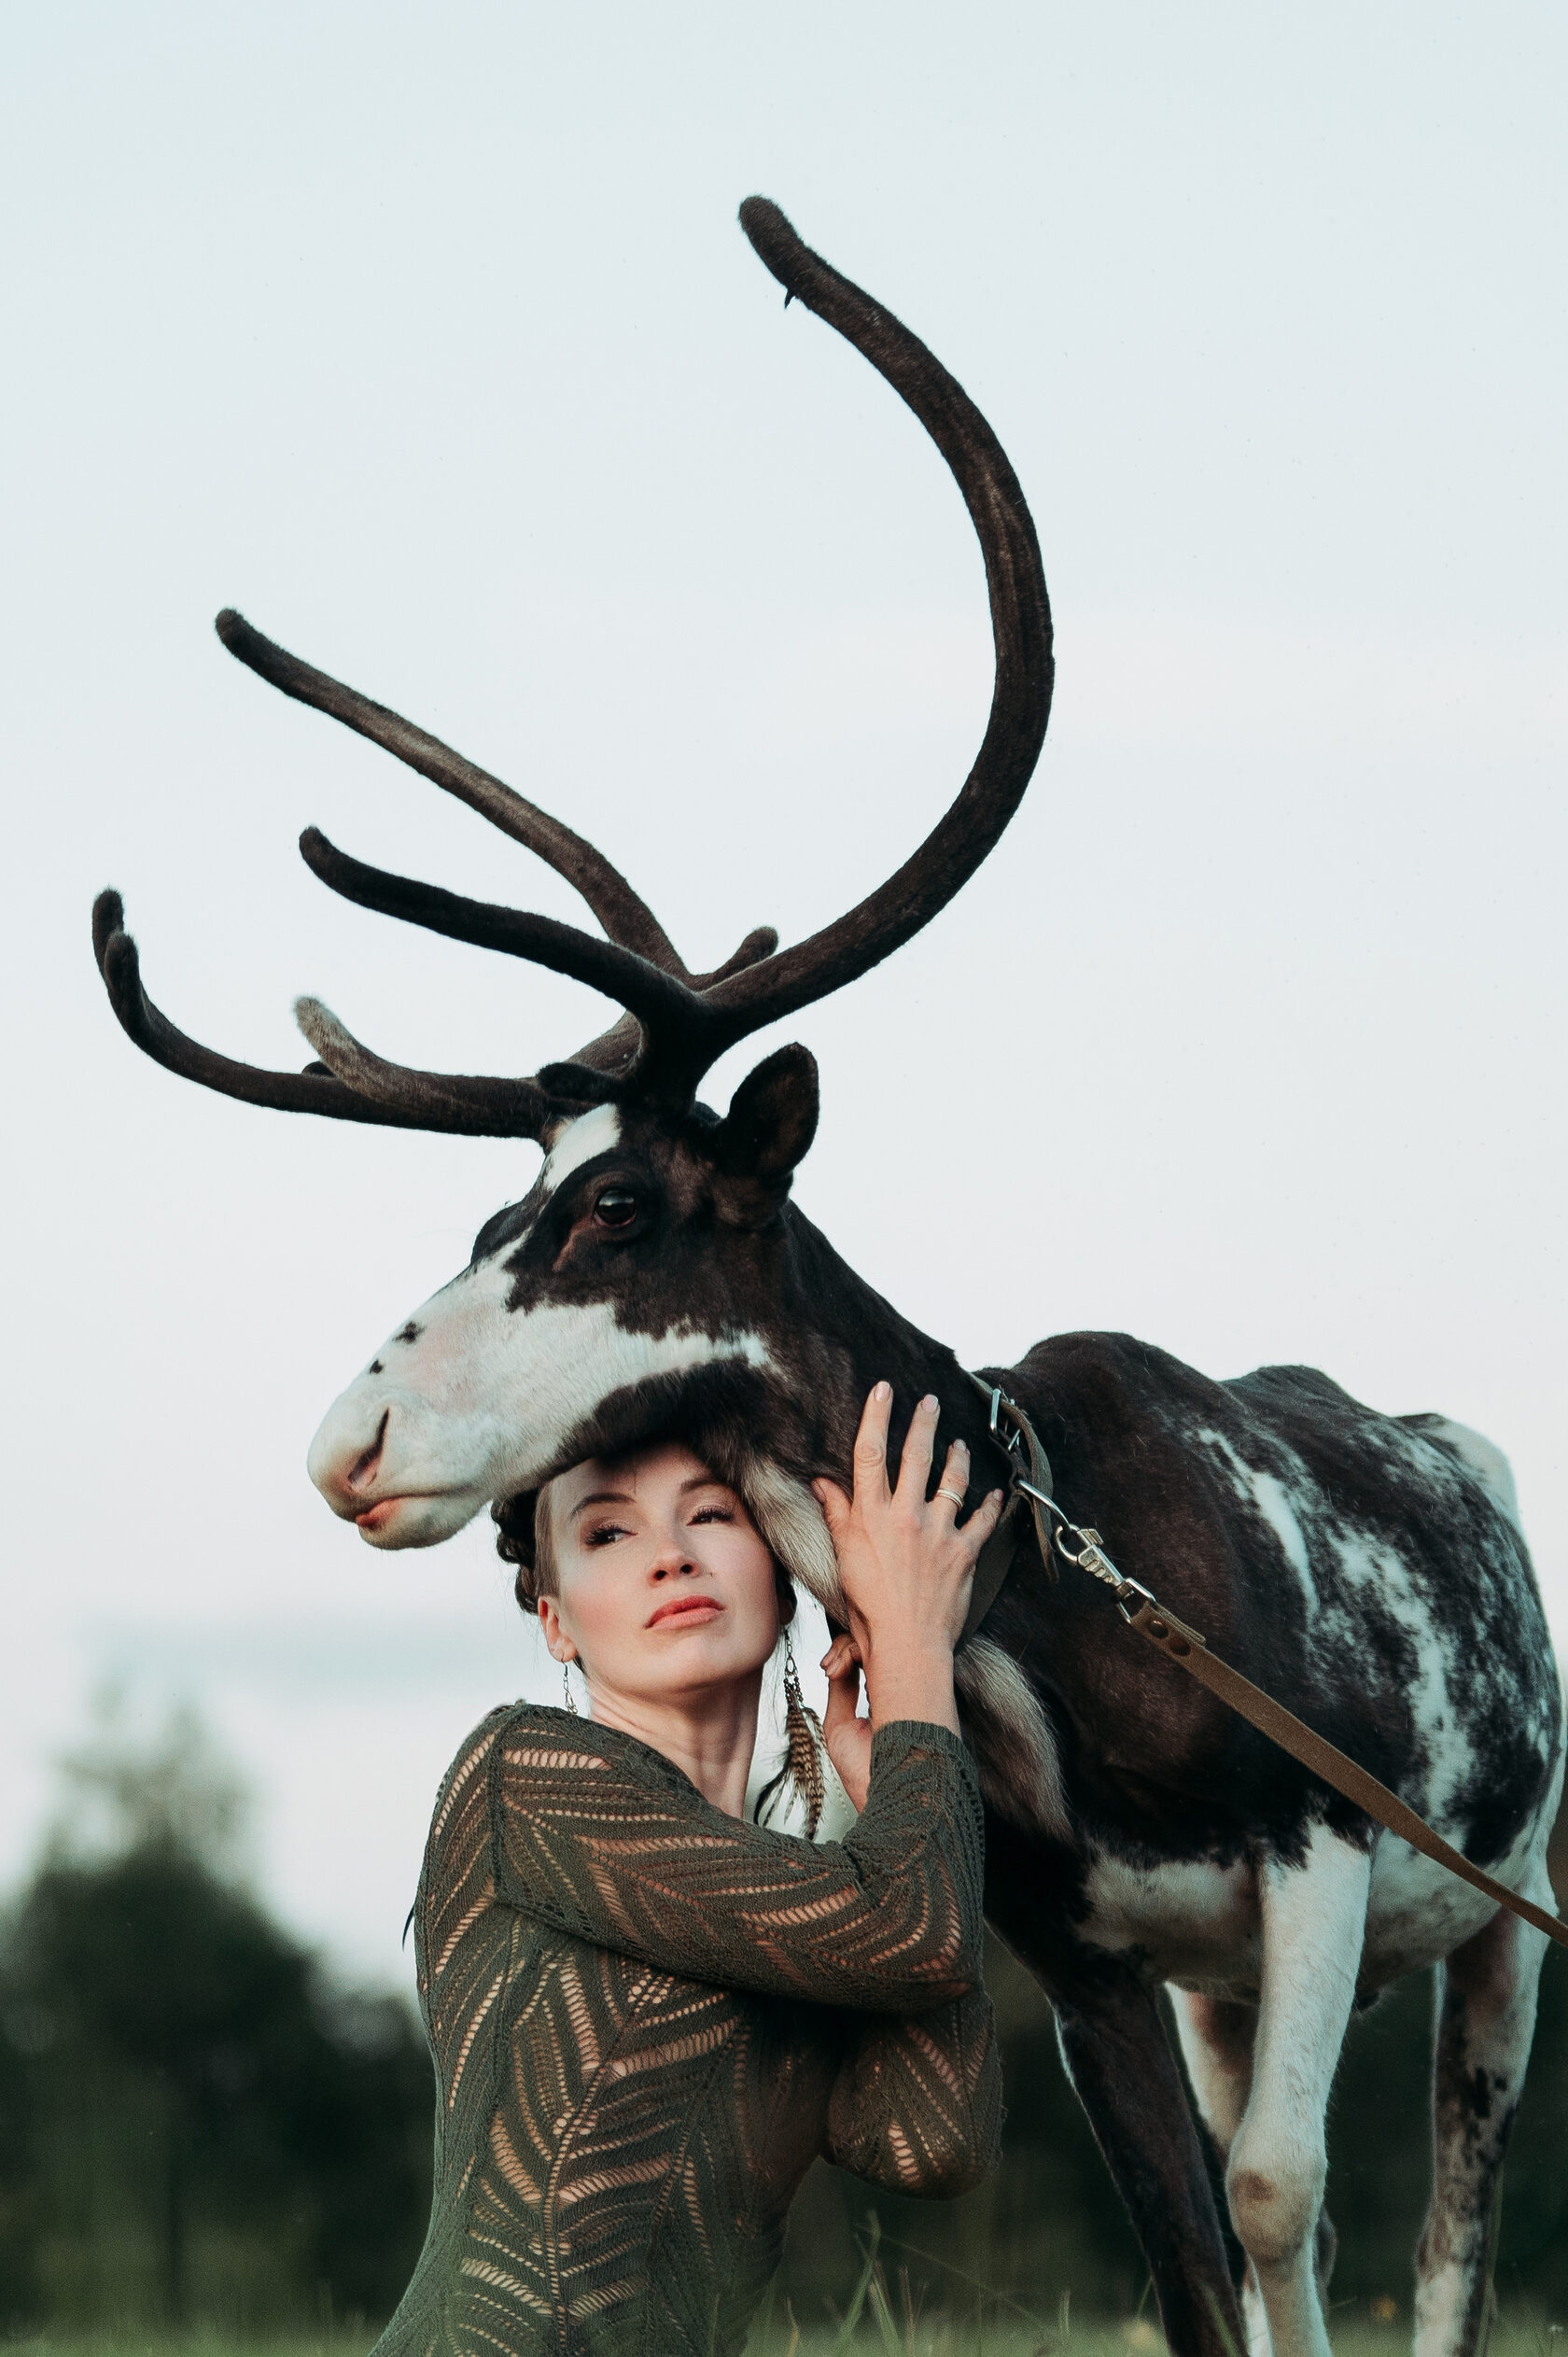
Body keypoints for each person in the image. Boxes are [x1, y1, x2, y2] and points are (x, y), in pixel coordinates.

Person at [375, 1384, 1007, 2357]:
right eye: (608, 1531)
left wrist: (897, 1790)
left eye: (711, 1513)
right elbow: (917, 1934)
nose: (670, 1553)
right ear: (556, 1621)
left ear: (784, 1576)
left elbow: (935, 2142)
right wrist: (916, 1655)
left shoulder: (822, 1914)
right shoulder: (522, 1776)